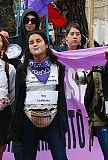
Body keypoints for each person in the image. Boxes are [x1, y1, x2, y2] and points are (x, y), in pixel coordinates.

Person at [9, 30, 68, 160]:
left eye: (38, 41)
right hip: (29, 120)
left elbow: (61, 96)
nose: (35, 44)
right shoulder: (22, 69)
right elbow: (19, 97)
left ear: (46, 44)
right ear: (28, 47)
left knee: (61, 157)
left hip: (53, 119)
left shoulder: (58, 67)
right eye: (31, 42)